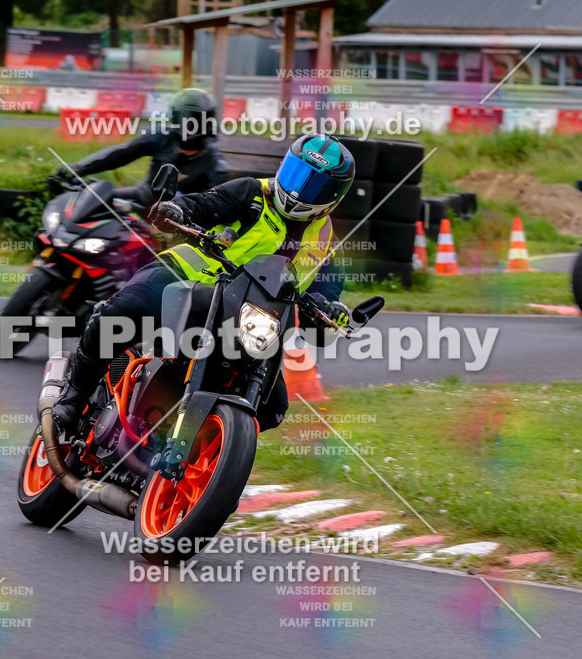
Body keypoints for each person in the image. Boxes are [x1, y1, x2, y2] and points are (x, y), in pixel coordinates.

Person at [52, 134, 355, 436]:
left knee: (272, 408)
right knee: (120, 312)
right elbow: (204, 203)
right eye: (296, 174)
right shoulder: (251, 192)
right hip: (186, 276)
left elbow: (322, 300)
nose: (298, 188)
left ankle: (204, 451)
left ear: (334, 196)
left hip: (248, 320)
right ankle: (74, 396)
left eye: (313, 185)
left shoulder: (325, 242)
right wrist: (177, 210)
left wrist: (332, 311)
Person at [60, 88, 230, 207]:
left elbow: (209, 208)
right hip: (141, 199)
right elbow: (121, 154)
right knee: (85, 199)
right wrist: (79, 168)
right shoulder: (161, 137)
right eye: (184, 117)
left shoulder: (216, 165)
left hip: (175, 223)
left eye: (195, 119)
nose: (189, 124)